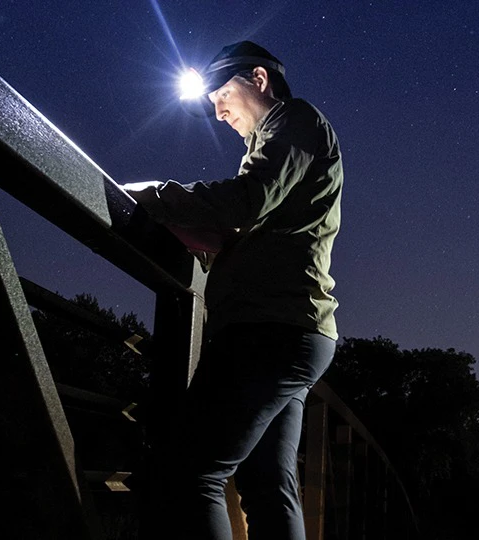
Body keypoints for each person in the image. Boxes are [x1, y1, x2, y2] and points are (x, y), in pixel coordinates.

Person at [124, 41, 343, 540]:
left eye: (223, 94)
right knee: (267, 484)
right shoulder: (285, 138)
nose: (217, 111)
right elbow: (251, 220)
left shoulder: (294, 120)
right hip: (293, 332)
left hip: (268, 331)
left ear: (259, 81)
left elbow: (244, 203)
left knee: (189, 472)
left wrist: (153, 194)